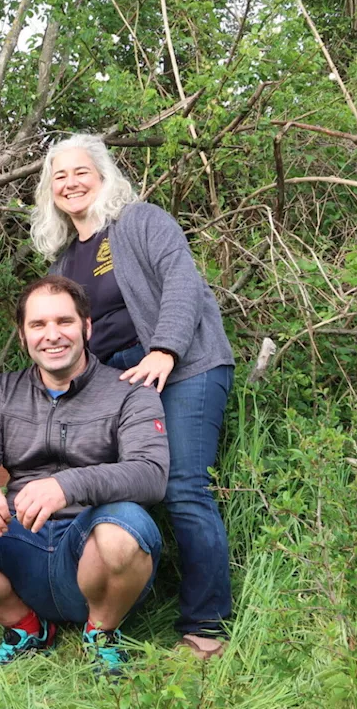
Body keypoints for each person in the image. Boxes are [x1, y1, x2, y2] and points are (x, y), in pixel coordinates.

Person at [29, 133, 236, 660]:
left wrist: (165, 349)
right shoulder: (62, 263)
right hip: (118, 384)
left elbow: (181, 282)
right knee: (113, 486)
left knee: (184, 486)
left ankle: (206, 625)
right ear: (49, 191)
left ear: (103, 177)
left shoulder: (140, 221)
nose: (71, 182)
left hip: (184, 366)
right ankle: (107, 610)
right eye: (60, 176)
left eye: (81, 172)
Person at [0, 276, 169, 675]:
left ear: (86, 328)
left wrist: (66, 486)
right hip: (21, 549)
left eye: (64, 322)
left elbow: (151, 474)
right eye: (38, 325)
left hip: (89, 552)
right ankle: (27, 628)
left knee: (127, 526)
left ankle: (101, 631)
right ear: (23, 336)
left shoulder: (130, 391)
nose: (52, 335)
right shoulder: (2, 391)